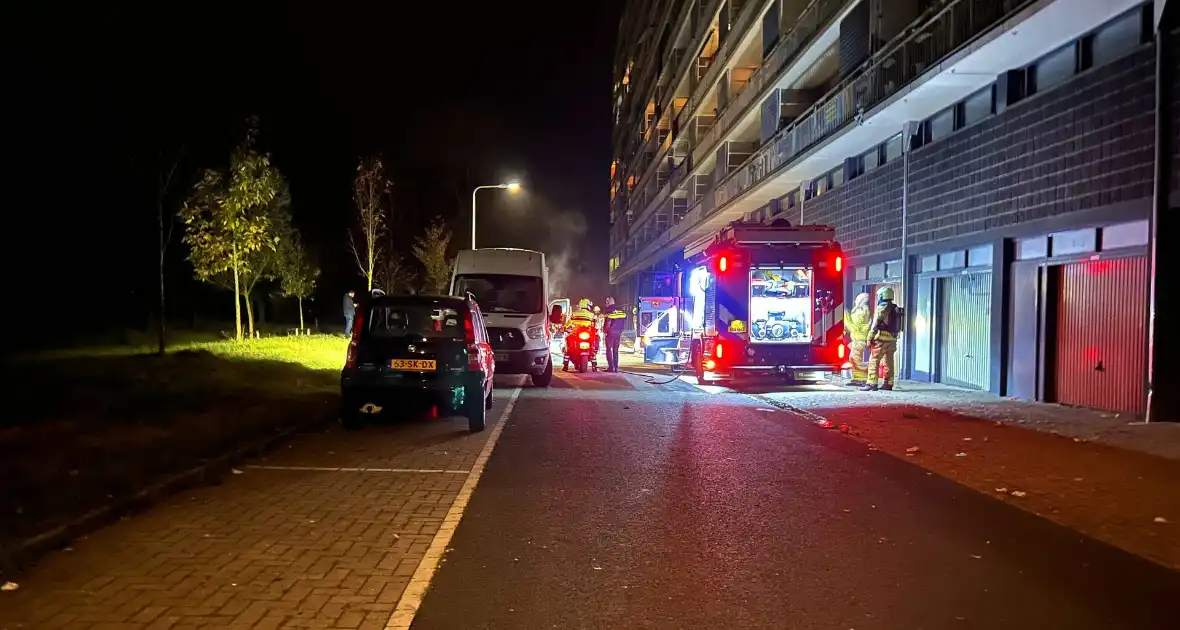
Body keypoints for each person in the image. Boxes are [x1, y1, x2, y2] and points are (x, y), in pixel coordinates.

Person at [863, 286, 900, 391]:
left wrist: (870, 337)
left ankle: (872, 383)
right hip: (892, 340)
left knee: (874, 360)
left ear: (882, 296)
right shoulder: (895, 308)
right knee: (889, 361)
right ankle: (888, 383)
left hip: (881, 339)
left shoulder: (882, 308)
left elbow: (875, 324)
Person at [843, 292, 872, 387]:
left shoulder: (861, 312)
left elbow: (854, 327)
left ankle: (863, 377)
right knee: (853, 358)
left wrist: (845, 316)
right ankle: (857, 378)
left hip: (860, 338)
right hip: (857, 338)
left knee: (855, 359)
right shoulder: (860, 310)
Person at [602, 297, 628, 373]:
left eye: (606, 302)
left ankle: (611, 367)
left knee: (609, 349)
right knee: (615, 350)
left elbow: (608, 323)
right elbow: (623, 322)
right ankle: (616, 367)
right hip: (618, 333)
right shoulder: (620, 311)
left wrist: (605, 331)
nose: (606, 304)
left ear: (608, 303)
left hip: (610, 333)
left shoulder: (608, 311)